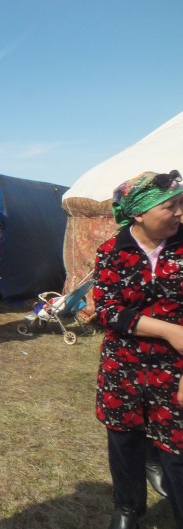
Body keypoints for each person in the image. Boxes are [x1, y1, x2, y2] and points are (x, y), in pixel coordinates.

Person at [94, 170, 183, 529]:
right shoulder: (112, 251)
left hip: (176, 369)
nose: (180, 213)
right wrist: (169, 330)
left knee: (177, 451)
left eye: (181, 204)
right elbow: (107, 309)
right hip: (123, 365)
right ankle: (128, 508)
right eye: (171, 206)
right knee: (123, 439)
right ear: (139, 214)